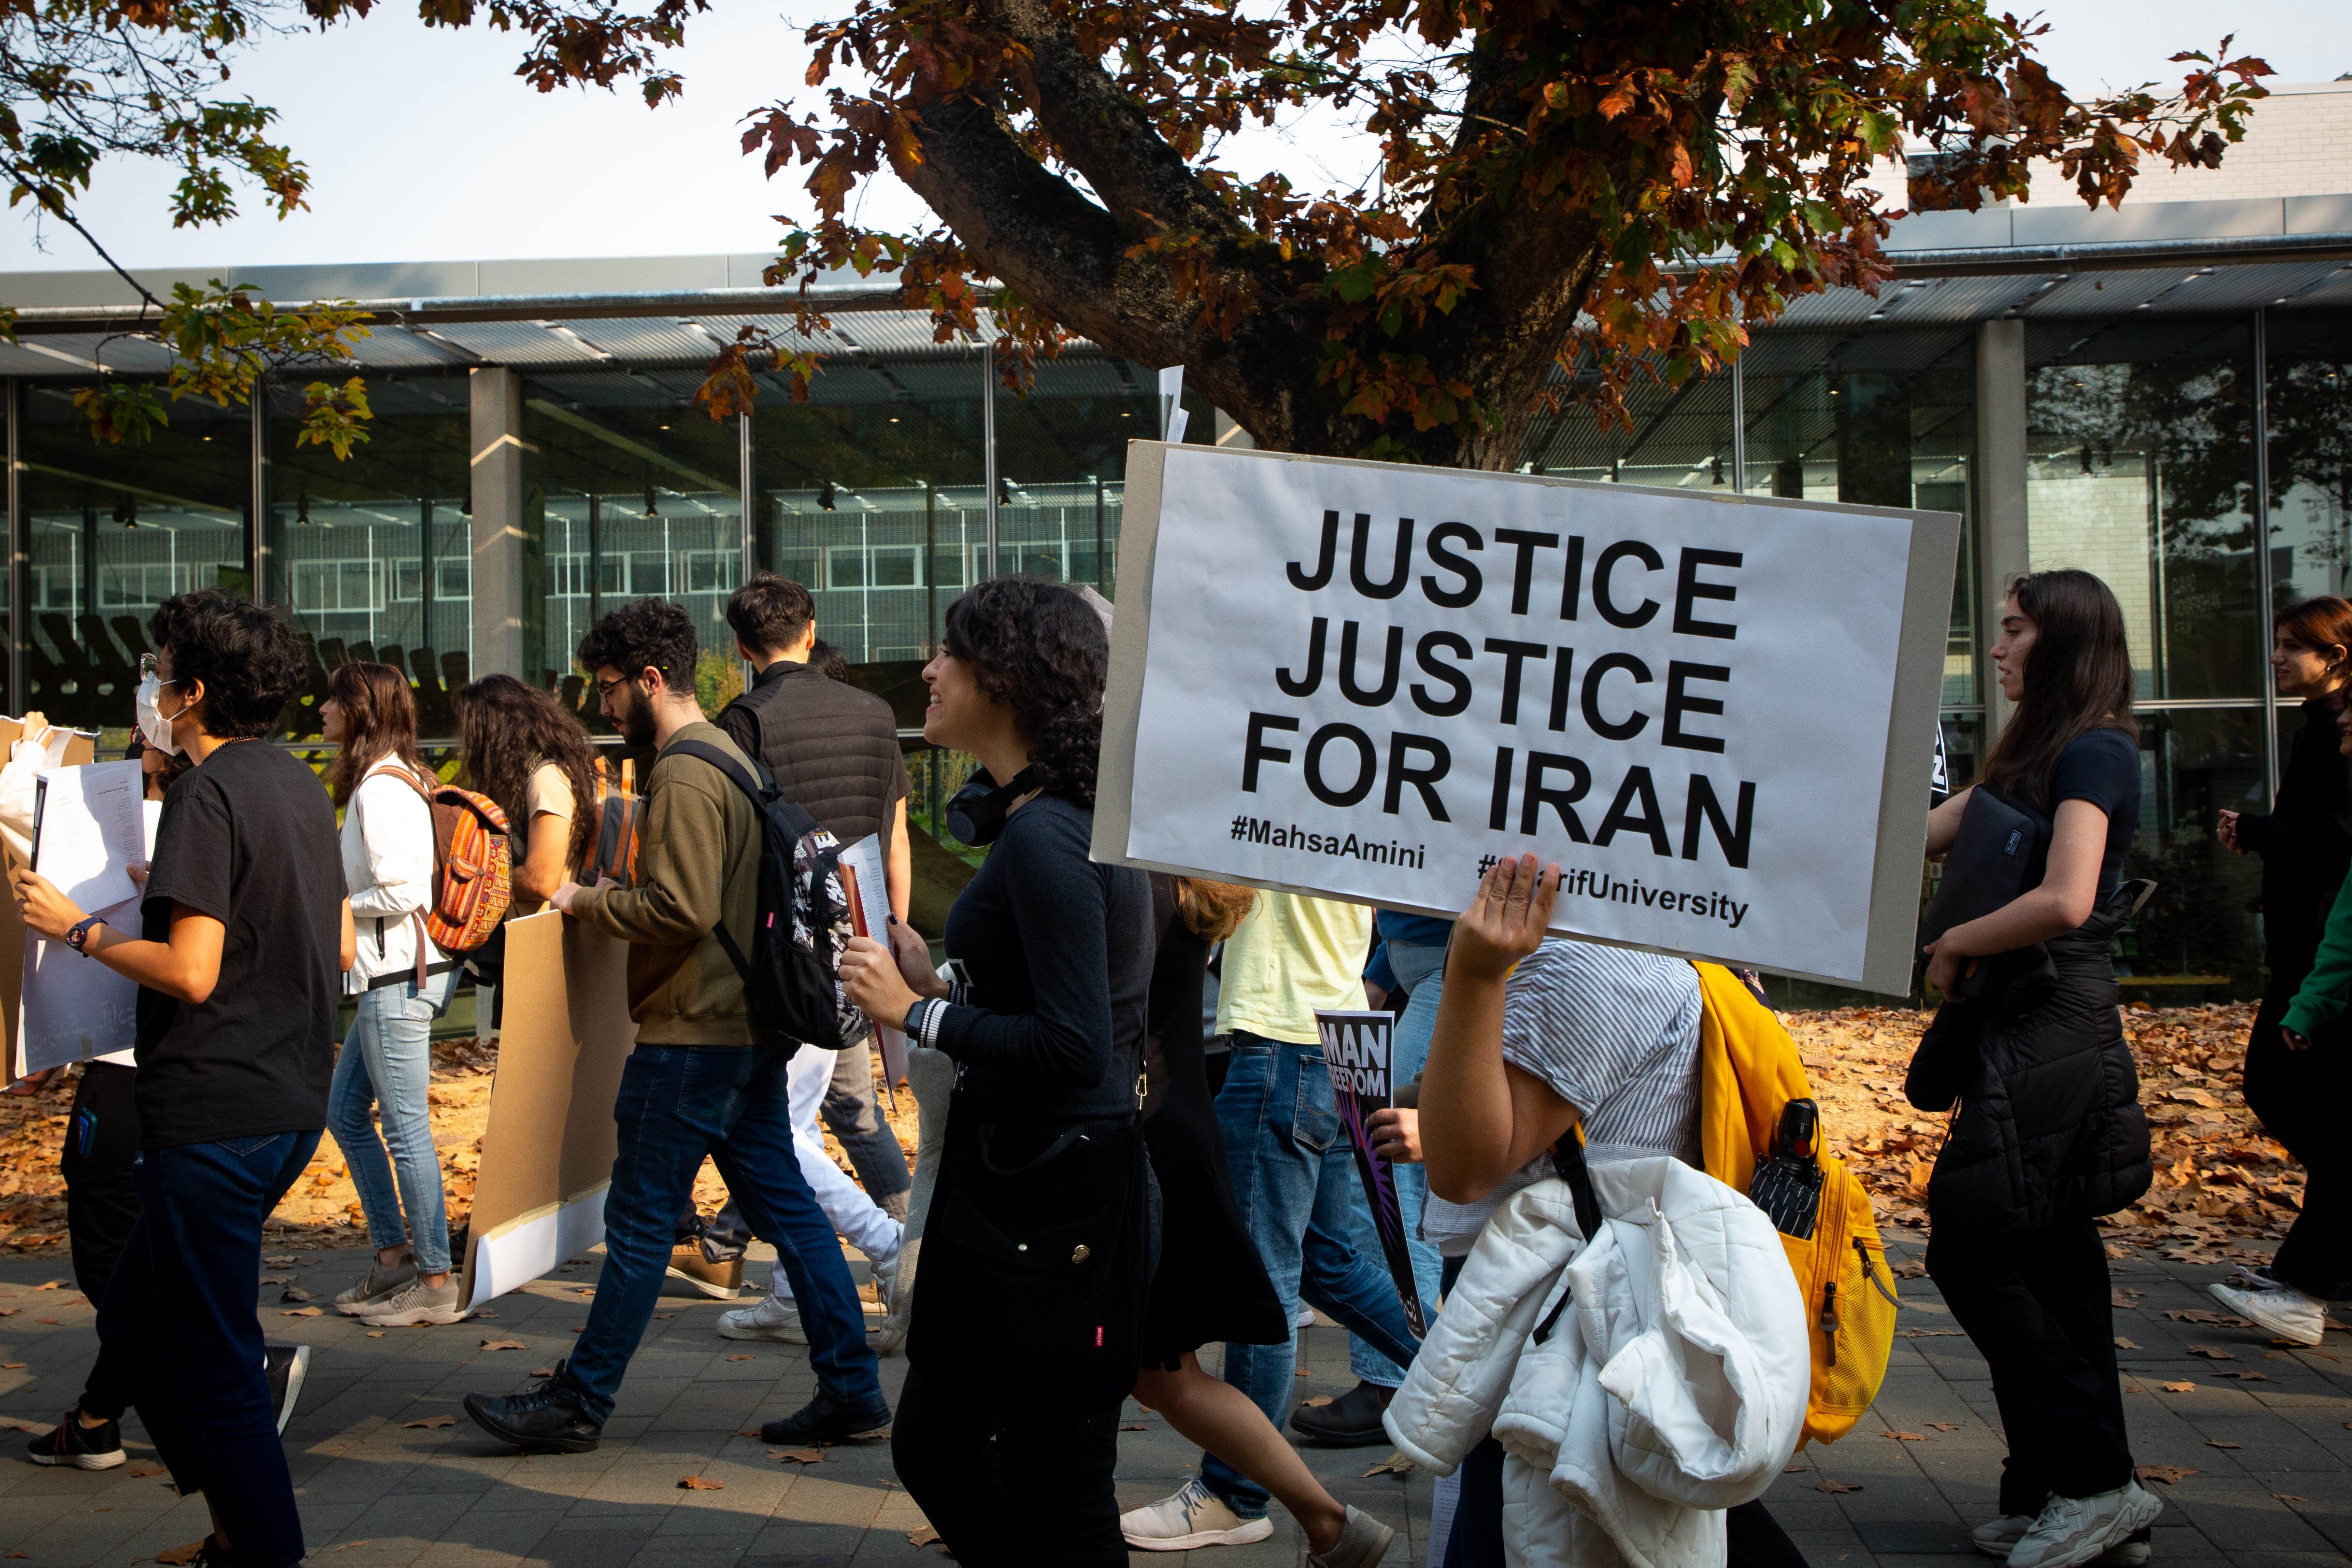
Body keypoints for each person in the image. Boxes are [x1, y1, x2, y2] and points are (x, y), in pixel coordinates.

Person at [461, 597, 887, 1454]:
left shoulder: (686, 770)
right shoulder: (727, 755)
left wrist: (584, 898)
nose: (604, 706)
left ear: (652, 680)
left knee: (642, 1219)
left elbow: (680, 906)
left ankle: (579, 1400)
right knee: (790, 1212)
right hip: (741, 1027)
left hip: (694, 1034)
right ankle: (852, 1388)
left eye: (611, 688)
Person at [14, 588, 352, 1568]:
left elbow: (194, 971)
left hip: (214, 1114)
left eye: (162, 675)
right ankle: (230, 1531)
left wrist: (76, 929)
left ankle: (259, 1552)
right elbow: (321, 946)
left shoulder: (208, 793)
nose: (153, 692)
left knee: (214, 1367)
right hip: (285, 1099)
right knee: (132, 1321)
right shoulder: (293, 782)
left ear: (194, 692)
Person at [836, 577, 1155, 1566]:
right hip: (1039, 1195)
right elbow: (1068, 1002)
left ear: (1008, 679)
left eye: (950, 653)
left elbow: (1076, 1044)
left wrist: (918, 1012)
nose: (928, 671)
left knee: (1040, 1478)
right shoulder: (1053, 821)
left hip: (1054, 1203)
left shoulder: (1051, 836)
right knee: (1000, 1461)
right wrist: (943, 985)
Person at [1412, 854, 1810, 1568]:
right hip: (1589, 1334)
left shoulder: (1593, 964)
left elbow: (1464, 1166)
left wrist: (1474, 976)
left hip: (1560, 1350)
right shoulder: (1643, 936)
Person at [1915, 568, 2160, 1568]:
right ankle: (2062, 1488)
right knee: (2055, 1266)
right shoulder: (2035, 754)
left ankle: (2096, 1482)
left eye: (2013, 630)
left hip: (2051, 1024)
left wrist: (1952, 944)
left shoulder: (2094, 752)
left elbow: (2064, 898)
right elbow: (1922, 836)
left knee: (1968, 1250)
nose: (1999, 646)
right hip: (2025, 1026)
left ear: (2060, 640)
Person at [1126, 888, 1422, 1545]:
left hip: (1281, 1038)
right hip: (1337, 1033)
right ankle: (1473, 1386)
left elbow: (1214, 894)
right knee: (1327, 1262)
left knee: (1269, 1277)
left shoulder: (1276, 792)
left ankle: (1235, 1492)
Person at [690, 572, 910, 1330]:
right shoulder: (876, 714)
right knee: (800, 1113)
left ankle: (886, 1243)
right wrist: (894, 933)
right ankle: (793, 1290)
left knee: (776, 1124)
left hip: (788, 945)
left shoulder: (743, 721)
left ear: (744, 648)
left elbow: (739, 852)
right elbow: (896, 832)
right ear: (810, 631)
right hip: (866, 927)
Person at [2212, 596, 2352, 1341]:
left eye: (2293, 647)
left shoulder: (2336, 733)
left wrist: (2262, 831)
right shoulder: (2318, 729)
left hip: (2323, 956)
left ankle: (2310, 1276)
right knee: (2303, 1099)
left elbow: (2334, 842)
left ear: (2334, 658)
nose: (2276, 657)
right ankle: (2320, 1263)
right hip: (2314, 951)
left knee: (2284, 1088)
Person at [319, 661, 468, 1328]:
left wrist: (335, 904)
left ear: (362, 713)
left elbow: (406, 891)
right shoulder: (403, 779)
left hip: (396, 977)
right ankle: (395, 1259)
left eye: (335, 700)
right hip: (400, 973)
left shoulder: (380, 792)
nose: (322, 709)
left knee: (406, 1130)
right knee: (347, 1113)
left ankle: (435, 1278)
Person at [1301, 908, 1450, 1447]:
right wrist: (1381, 975)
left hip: (1452, 964)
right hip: (1426, 964)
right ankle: (1413, 1374)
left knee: (1386, 1162)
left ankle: (1393, 1382)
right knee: (1392, 1161)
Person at [455, 672, 601, 913]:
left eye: (474, 735)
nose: (469, 746)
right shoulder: (532, 776)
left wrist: (483, 880)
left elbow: (541, 881)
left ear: (496, 735)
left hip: (543, 937)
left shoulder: (546, 780)